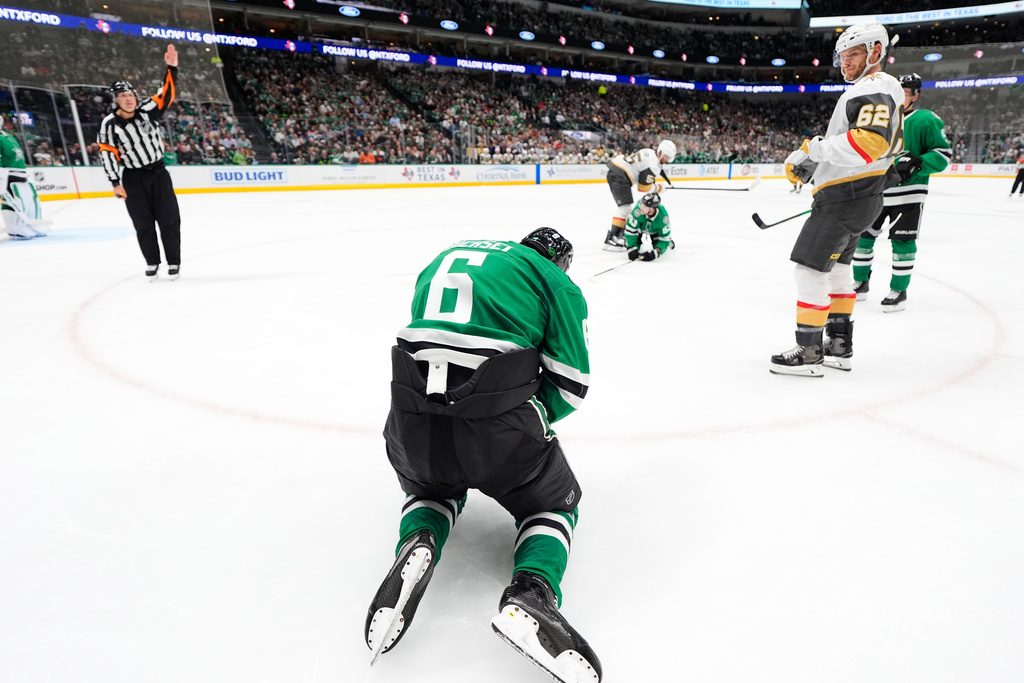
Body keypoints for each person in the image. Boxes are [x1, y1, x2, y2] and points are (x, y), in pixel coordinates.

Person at [366, 229, 602, 682]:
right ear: (560, 260)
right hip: (497, 422)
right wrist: (527, 419)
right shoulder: (553, 279)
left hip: (409, 414)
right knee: (552, 504)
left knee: (433, 486)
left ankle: (419, 542)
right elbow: (572, 384)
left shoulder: (447, 253)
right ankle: (532, 593)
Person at [772, 22, 904, 377]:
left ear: (876, 51)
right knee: (839, 271)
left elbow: (869, 143)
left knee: (810, 269)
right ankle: (838, 345)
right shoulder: (884, 88)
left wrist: (813, 149)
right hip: (863, 195)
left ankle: (809, 350)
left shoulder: (874, 85)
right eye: (843, 56)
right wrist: (818, 164)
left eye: (854, 53)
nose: (845, 62)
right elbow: (871, 146)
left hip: (845, 198)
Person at [852, 73, 952, 312]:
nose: (898, 98)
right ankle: (861, 282)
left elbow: (943, 155)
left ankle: (899, 290)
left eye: (904, 93)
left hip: (909, 195)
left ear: (915, 95)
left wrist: (917, 163)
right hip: (876, 192)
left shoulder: (925, 120)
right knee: (862, 239)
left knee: (902, 241)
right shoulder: (880, 121)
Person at [98, 44, 182, 281]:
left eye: (130, 95)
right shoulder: (109, 124)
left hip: (158, 173)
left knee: (169, 219)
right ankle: (152, 262)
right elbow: (107, 153)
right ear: (115, 101)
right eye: (122, 96)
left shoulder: (148, 110)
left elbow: (166, 93)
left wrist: (171, 68)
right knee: (143, 223)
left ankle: (173, 261)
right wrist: (115, 182)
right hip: (133, 178)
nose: (128, 99)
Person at [603, 139, 676, 251]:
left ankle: (618, 235)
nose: (667, 160)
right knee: (625, 208)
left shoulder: (650, 152)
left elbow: (648, 172)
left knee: (626, 208)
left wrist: (661, 182)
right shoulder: (653, 164)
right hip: (620, 175)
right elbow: (643, 188)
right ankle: (612, 238)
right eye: (667, 157)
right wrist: (659, 188)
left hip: (618, 170)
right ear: (660, 153)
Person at [0, 113, 47, 242]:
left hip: (19, 174)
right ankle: (15, 227)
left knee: (29, 200)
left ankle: (31, 222)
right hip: (8, 175)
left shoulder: (6, 136)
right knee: (14, 201)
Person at [625, 192, 673, 262]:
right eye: (642, 203)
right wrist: (631, 247)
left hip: (655, 231)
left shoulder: (663, 218)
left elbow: (664, 239)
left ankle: (669, 240)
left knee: (659, 244)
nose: (641, 207)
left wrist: (656, 252)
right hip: (639, 229)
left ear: (652, 209)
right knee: (630, 244)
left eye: (644, 206)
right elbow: (630, 230)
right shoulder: (638, 210)